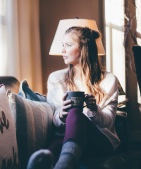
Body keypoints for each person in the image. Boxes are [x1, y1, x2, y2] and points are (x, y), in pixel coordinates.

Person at [27, 26, 120, 169]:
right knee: (52, 149)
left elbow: (108, 122)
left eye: (68, 45)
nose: (62, 50)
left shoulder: (108, 80)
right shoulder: (56, 79)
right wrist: (61, 115)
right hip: (67, 137)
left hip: (100, 140)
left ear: (84, 49)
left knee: (76, 113)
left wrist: (94, 110)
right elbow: (55, 121)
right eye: (62, 45)